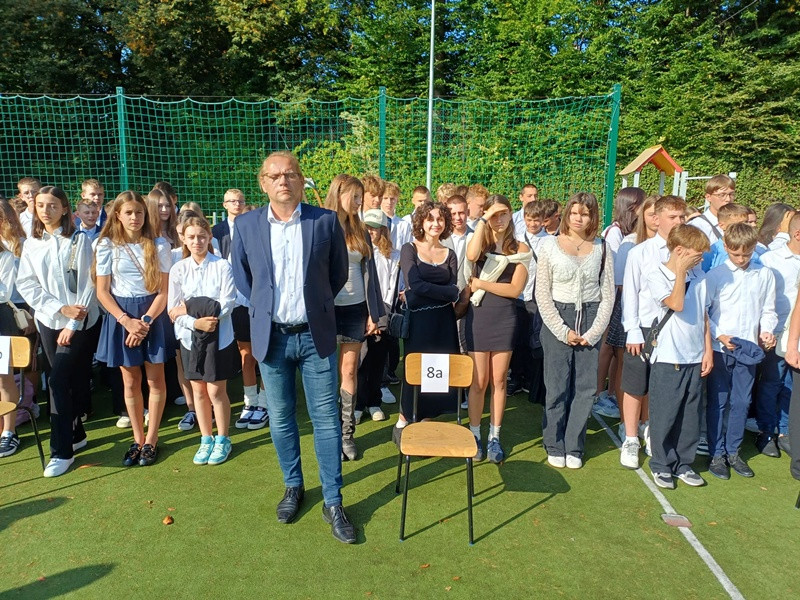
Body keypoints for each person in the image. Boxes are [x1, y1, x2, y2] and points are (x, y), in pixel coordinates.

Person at [230, 151, 356, 544]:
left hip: (315, 336)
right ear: (263, 183)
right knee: (282, 419)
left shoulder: (325, 220)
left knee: (326, 420)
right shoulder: (246, 224)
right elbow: (243, 277)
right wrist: (265, 307)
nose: (283, 181)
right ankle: (293, 486)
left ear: (301, 180)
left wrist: (315, 305)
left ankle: (333, 500)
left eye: (290, 174)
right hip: (272, 338)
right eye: (274, 176)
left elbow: (337, 274)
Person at [16, 186, 99, 477]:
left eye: (52, 205)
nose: (45, 210)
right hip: (48, 321)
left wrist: (72, 323)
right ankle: (76, 435)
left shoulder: (80, 240)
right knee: (67, 380)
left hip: (80, 324)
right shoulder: (32, 244)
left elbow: (90, 285)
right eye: (40, 205)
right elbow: (26, 284)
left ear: (65, 209)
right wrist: (58, 309)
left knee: (57, 381)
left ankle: (61, 452)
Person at [95, 191, 174, 467]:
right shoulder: (106, 245)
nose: (134, 217)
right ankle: (137, 439)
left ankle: (152, 439)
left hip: (152, 315)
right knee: (130, 381)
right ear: (117, 215)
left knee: (155, 380)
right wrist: (126, 321)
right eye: (128, 212)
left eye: (139, 212)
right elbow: (102, 291)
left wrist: (146, 322)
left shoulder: (159, 245)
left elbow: (164, 292)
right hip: (122, 318)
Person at [536, 192, 614, 469]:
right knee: (557, 386)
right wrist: (562, 330)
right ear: (567, 214)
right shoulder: (549, 245)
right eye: (574, 213)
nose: (579, 218)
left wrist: (593, 332)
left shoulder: (602, 247)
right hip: (558, 316)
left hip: (591, 317)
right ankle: (554, 443)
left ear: (593, 217)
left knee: (585, 388)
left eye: (585, 214)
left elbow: (608, 294)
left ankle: (574, 445)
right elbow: (542, 293)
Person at [705, 223, 777, 479]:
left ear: (754, 247)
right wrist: (719, 334)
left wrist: (766, 331)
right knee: (719, 401)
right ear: (726, 247)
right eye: (736, 254)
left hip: (748, 349)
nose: (741, 259)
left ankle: (733, 452)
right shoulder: (715, 275)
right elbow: (705, 312)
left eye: (746, 254)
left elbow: (768, 310)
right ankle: (716, 453)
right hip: (721, 348)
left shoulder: (764, 274)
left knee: (742, 401)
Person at [620, 195, 687, 468]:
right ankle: (630, 437)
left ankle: (650, 429)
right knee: (635, 385)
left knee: (660, 387)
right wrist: (632, 330)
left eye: (682, 217)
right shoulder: (640, 252)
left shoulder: (689, 251)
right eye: (673, 217)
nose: (679, 221)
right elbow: (630, 294)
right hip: (646, 328)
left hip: (676, 330)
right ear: (657, 219)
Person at [645, 225, 712, 489]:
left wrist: (707, 351)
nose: (701, 259)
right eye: (697, 254)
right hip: (668, 355)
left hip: (694, 356)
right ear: (680, 251)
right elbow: (676, 304)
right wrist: (681, 271)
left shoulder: (701, 277)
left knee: (690, 415)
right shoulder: (656, 274)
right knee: (665, 413)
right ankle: (661, 464)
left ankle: (683, 463)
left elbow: (704, 316)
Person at [464, 195, 530, 464]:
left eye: (504, 213)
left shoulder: (521, 248)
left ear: (511, 214)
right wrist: (483, 219)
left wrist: (481, 284)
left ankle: (494, 436)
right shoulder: (481, 244)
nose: (499, 219)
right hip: (478, 317)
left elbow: (515, 290)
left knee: (499, 380)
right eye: (494, 214)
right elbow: (471, 255)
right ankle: (474, 434)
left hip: (505, 318)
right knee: (478, 381)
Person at [168, 216, 239, 465]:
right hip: (190, 339)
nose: (197, 241)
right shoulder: (178, 269)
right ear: (183, 240)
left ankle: (223, 438)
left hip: (219, 337)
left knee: (216, 391)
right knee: (198, 390)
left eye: (201, 236)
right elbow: (173, 310)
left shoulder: (222, 266)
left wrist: (192, 308)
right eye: (191, 237)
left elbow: (227, 303)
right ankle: (206, 438)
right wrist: (194, 322)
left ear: (209, 237)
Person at [325, 174, 384, 461]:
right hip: (326, 311)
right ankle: (330, 434)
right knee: (325, 375)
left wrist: (374, 313)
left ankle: (346, 434)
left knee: (349, 371)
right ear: (339, 194)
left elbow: (371, 275)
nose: (360, 202)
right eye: (355, 196)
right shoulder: (321, 225)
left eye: (361, 197)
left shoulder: (361, 229)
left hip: (356, 309)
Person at [393, 201, 460, 439]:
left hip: (444, 323)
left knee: (437, 374)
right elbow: (414, 283)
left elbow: (454, 290)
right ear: (421, 222)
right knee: (415, 371)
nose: (435, 223)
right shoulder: (409, 249)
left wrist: (420, 292)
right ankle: (403, 421)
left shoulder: (450, 254)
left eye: (440, 219)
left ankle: (426, 424)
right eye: (430, 219)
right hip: (419, 323)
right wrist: (445, 292)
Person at [212, 189, 267, 430]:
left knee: (264, 355)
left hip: (262, 305)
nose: (237, 205)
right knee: (246, 356)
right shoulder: (221, 237)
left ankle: (264, 404)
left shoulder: (263, 238)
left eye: (240, 201)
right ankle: (250, 402)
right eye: (232, 201)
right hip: (238, 304)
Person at [594, 187, 645, 419]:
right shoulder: (615, 233)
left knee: (617, 351)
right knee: (608, 347)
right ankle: (598, 393)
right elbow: (613, 272)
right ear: (632, 207)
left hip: (618, 297)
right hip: (614, 297)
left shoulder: (626, 233)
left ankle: (612, 392)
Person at [757, 210, 800, 458]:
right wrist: (765, 331)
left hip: (797, 336)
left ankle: (786, 431)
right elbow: (762, 299)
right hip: (777, 332)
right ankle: (766, 432)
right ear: (797, 234)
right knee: (772, 383)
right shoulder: (771, 260)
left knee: (792, 387)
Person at [355, 209, 401, 423]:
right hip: (359, 311)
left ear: (383, 230)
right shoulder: (356, 252)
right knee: (359, 360)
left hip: (382, 312)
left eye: (375, 228)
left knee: (377, 359)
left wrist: (380, 317)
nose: (371, 231)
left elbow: (391, 289)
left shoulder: (393, 255)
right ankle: (357, 404)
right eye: (367, 227)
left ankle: (374, 402)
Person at [701, 203, 758, 272]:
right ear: (722, 225)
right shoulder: (712, 252)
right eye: (737, 224)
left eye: (746, 222)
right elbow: (701, 275)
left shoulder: (752, 252)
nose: (742, 227)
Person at [689, 174, 736, 245]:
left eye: (731, 194)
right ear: (708, 197)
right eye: (722, 195)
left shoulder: (740, 222)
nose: (728, 199)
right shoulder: (697, 226)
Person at [381, 181, 412, 250]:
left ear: (397, 200)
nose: (389, 202)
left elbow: (407, 248)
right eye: (385, 198)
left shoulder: (405, 225)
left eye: (392, 199)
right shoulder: (374, 222)